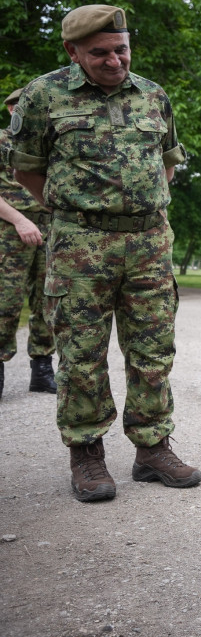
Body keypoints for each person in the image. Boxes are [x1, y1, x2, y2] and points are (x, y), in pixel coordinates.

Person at [11, 4, 201, 502]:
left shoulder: (153, 95)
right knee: (81, 353)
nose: (115, 61)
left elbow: (167, 162)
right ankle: (87, 456)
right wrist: (71, 210)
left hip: (149, 244)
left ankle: (153, 448)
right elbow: (25, 169)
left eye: (122, 49)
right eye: (100, 53)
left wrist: (149, 212)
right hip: (80, 246)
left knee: (153, 349)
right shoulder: (43, 95)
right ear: (72, 52)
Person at [0, 87, 56, 401]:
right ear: (12, 111)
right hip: (9, 231)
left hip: (48, 228)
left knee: (48, 301)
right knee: (5, 303)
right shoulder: (2, 141)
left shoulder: (49, 146)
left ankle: (43, 369)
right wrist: (20, 220)